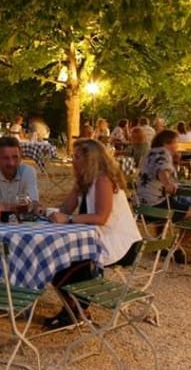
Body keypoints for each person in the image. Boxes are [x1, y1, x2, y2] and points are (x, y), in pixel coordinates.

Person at [44, 139, 142, 330]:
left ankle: (76, 310)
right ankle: (75, 309)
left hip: (119, 244)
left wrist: (68, 219)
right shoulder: (85, 181)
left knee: (67, 260)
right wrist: (48, 211)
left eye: (77, 157)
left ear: (91, 159)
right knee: (57, 256)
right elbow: (65, 209)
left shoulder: (103, 180)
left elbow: (101, 217)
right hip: (95, 239)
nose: (73, 160)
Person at [0, 137, 39, 208]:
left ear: (21, 156)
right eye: (6, 158)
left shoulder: (28, 171)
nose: (11, 163)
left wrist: (0, 207)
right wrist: (19, 206)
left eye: (15, 157)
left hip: (19, 216)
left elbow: (34, 204)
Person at [136, 129, 180, 208]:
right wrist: (167, 184)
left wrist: (175, 162)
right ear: (166, 143)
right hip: (157, 202)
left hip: (141, 202)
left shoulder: (151, 152)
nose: (177, 146)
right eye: (176, 142)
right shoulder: (162, 152)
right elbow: (162, 170)